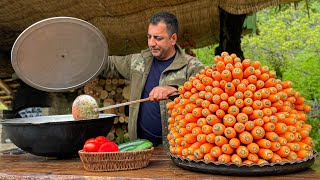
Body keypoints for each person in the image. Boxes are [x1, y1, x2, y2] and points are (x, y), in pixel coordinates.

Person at [103, 12, 204, 146]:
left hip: (177, 147)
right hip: (139, 146)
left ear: (173, 39)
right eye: (149, 37)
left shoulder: (192, 66)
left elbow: (204, 97)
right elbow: (108, 64)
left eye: (158, 38)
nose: (151, 43)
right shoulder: (139, 61)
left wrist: (173, 90)